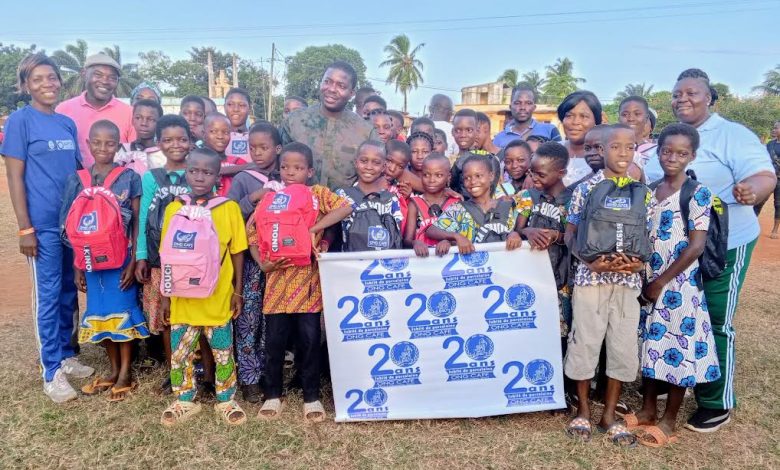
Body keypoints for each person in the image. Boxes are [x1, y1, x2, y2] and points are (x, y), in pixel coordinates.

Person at [644, 69, 777, 432]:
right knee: (667, 317)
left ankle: (714, 401)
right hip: (670, 250)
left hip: (722, 244)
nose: (682, 99)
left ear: (711, 98)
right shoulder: (668, 139)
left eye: (691, 93)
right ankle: (669, 376)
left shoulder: (733, 134)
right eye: (676, 93)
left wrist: (752, 188)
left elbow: (765, 176)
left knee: (714, 319)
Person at [3, 53, 94, 403]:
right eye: (38, 79)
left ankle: (67, 356)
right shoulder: (20, 122)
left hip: (70, 224)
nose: (48, 84)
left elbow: (76, 174)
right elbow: (14, 175)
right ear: (26, 85)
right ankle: (51, 371)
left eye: (52, 77)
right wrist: (24, 229)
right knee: (48, 295)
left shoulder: (66, 124)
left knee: (69, 292)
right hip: (40, 225)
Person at [624, 123, 721, 447]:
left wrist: (661, 282)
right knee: (653, 348)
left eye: (681, 153)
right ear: (658, 151)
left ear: (691, 156)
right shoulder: (651, 190)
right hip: (650, 282)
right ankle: (649, 409)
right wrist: (644, 278)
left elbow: (695, 246)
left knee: (676, 350)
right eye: (667, 151)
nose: (672, 158)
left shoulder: (696, 192)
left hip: (679, 288)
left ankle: (669, 420)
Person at [251, 142, 353, 421]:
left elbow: (345, 207)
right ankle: (272, 395)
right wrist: (262, 263)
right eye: (285, 167)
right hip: (275, 285)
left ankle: (312, 397)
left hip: (307, 285)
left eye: (297, 168)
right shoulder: (271, 197)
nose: (290, 172)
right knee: (274, 343)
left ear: (309, 171)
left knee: (309, 341)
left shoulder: (318, 194)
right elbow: (251, 234)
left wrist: (314, 229)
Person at [563, 124, 650, 447]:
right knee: (585, 343)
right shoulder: (585, 189)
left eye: (630, 148)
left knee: (622, 347)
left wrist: (639, 264)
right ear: (602, 150)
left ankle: (609, 414)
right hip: (590, 279)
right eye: (615, 147)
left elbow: (648, 236)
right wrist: (589, 261)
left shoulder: (642, 192)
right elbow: (571, 233)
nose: (623, 154)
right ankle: (583, 409)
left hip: (627, 282)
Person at [60, 120, 149, 402]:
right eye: (97, 142)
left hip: (121, 258)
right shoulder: (77, 179)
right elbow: (72, 227)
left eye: (110, 143)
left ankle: (126, 373)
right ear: (88, 145)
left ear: (118, 145)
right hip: (89, 262)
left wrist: (135, 259)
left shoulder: (130, 177)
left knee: (123, 313)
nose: (103, 148)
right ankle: (112, 370)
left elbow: (137, 222)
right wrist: (77, 266)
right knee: (100, 315)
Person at [159, 147, 248, 427]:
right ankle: (184, 400)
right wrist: (164, 297)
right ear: (186, 171)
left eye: (207, 171)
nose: (200, 176)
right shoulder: (175, 208)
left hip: (217, 298)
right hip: (182, 300)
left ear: (218, 175)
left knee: (223, 354)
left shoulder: (228, 208)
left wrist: (237, 291)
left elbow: (238, 252)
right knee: (180, 354)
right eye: (194, 170)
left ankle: (226, 400)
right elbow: (167, 255)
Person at [226, 121, 282, 403]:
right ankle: (248, 377)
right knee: (248, 319)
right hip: (250, 261)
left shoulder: (288, 175)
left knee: (271, 319)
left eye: (264, 147)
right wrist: (257, 196)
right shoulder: (243, 179)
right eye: (252, 148)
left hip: (280, 261)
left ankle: (267, 372)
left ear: (278, 148)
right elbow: (229, 212)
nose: (258, 153)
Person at [514, 142, 574, 405]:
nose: (534, 178)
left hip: (561, 277)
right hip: (531, 276)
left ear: (560, 172)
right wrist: (527, 231)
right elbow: (515, 230)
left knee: (560, 333)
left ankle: (560, 388)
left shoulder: (573, 199)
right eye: (532, 173)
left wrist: (557, 235)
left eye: (540, 174)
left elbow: (578, 238)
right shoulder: (528, 197)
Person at [135, 114, 191, 394]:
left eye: (182, 139)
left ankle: (199, 370)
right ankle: (174, 371)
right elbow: (145, 215)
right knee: (168, 318)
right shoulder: (151, 178)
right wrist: (141, 256)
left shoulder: (199, 172)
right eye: (168, 140)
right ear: (159, 144)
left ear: (191, 142)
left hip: (193, 262)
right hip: (161, 261)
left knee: (193, 316)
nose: (176, 145)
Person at [280, 61, 376, 191]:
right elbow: (274, 163)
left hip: (344, 208)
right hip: (297, 205)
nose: (331, 89)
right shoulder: (294, 121)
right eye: (327, 82)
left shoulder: (365, 132)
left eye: (341, 86)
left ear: (351, 93)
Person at [426, 153, 523, 255]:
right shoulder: (458, 209)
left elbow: (521, 230)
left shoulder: (507, 206)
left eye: (478, 176)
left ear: (491, 176)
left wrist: (514, 234)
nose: (473, 181)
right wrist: (455, 237)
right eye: (467, 178)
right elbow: (431, 230)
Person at [56, 53, 133, 167]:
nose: (105, 81)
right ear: (84, 74)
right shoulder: (63, 110)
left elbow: (134, 156)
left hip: (119, 182)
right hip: (75, 182)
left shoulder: (129, 113)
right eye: (98, 75)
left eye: (112, 78)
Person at [336, 141, 404, 251]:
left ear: (383, 166)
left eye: (376, 163)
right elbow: (332, 230)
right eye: (364, 161)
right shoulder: (342, 195)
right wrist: (325, 242)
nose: (369, 167)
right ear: (356, 162)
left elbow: (396, 236)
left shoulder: (391, 199)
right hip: (349, 264)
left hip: (381, 265)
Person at [404, 153, 459, 256]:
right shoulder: (415, 203)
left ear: (448, 177)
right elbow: (407, 240)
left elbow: (463, 237)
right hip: (422, 263)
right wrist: (415, 243)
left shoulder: (455, 203)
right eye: (426, 175)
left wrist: (449, 242)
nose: (431, 180)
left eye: (438, 175)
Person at [557, 91, 603, 187]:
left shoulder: (607, 155)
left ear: (596, 121)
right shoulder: (551, 151)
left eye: (584, 117)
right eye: (569, 116)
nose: (575, 122)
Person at [450, 109, 500, 195]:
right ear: (452, 132)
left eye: (469, 130)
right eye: (458, 130)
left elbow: (497, 190)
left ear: (476, 131)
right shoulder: (447, 161)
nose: (463, 135)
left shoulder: (488, 159)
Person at [493, 86, 562, 148]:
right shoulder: (499, 138)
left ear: (534, 107)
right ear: (511, 107)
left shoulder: (550, 130)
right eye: (517, 103)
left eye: (528, 103)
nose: (523, 107)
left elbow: (560, 158)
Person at [203, 113, 248, 196]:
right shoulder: (197, 160)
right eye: (213, 131)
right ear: (204, 134)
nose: (220, 136)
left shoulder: (237, 161)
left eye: (226, 132)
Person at [116, 99, 165, 172]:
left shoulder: (164, 153)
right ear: (132, 120)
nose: (144, 123)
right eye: (138, 118)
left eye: (151, 119)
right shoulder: (121, 150)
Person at [757, 120, 780, 238]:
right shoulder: (770, 144)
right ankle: (753, 223)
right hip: (769, 178)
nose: (774, 130)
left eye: (776, 128)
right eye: (774, 128)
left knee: (778, 203)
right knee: (760, 200)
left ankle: (775, 230)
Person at [619, 96, 656, 169]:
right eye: (625, 114)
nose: (631, 118)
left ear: (646, 118)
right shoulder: (609, 149)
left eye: (637, 114)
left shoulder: (656, 152)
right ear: (619, 118)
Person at [224, 87, 252, 162]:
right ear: (224, 107)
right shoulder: (217, 137)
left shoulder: (255, 137)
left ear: (250, 109)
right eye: (230, 104)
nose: (236, 109)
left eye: (242, 105)